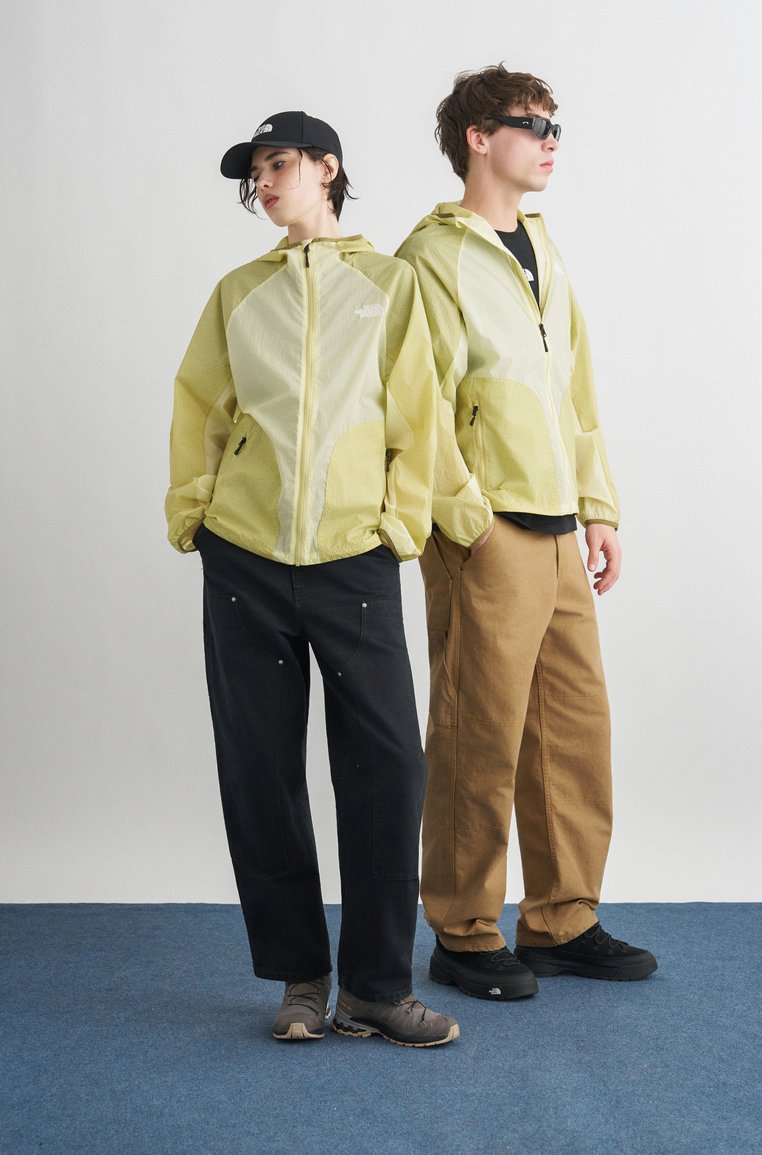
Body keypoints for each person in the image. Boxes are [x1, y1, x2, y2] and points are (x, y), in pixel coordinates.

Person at [165, 110, 459, 1046]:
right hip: (245, 558)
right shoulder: (238, 291)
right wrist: (196, 513)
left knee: (388, 768)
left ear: (328, 168)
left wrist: (398, 524)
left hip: (353, 558)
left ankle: (376, 987)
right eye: (254, 171)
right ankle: (301, 979)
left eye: (278, 163)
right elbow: (202, 408)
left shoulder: (390, 283)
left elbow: (419, 414)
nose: (264, 183)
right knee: (261, 771)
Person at [396, 66, 657, 1000]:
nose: (550, 140)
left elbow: (573, 390)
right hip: (488, 529)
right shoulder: (431, 257)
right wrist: (468, 522)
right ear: (478, 137)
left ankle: (561, 919)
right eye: (530, 124)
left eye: (555, 126)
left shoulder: (542, 245)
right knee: (479, 732)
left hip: (557, 526)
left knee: (573, 730)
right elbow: (418, 406)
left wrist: (599, 506)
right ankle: (463, 930)